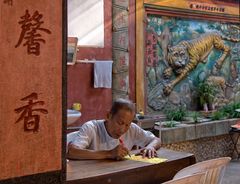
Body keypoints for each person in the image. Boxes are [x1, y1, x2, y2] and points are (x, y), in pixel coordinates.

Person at [67, 98, 161, 160]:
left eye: (127, 125)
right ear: (108, 116)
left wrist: (150, 146)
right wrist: (108, 154)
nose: (122, 129)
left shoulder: (132, 129)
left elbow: (156, 140)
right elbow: (72, 152)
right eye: (120, 123)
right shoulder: (91, 128)